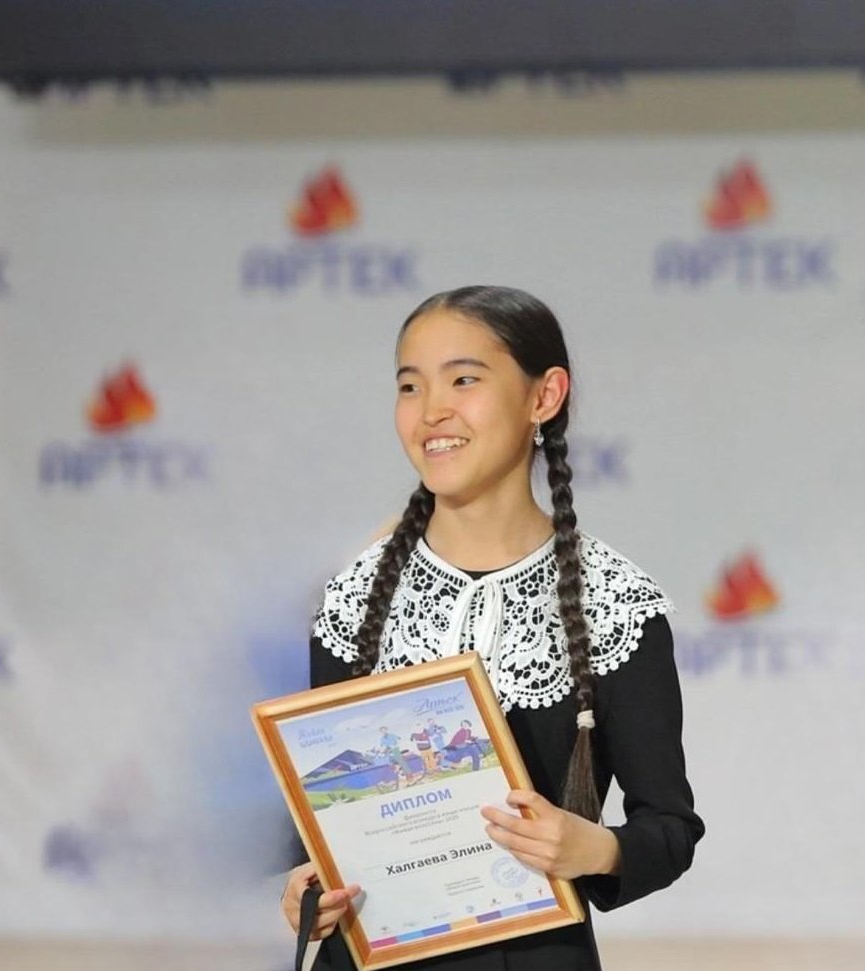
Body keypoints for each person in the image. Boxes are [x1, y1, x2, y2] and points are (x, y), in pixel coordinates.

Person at [281, 286, 704, 970]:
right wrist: (310, 885)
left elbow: (670, 827)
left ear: (545, 396)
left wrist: (594, 848)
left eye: (464, 380)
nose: (431, 411)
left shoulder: (615, 602)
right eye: (410, 385)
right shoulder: (356, 596)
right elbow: (321, 820)